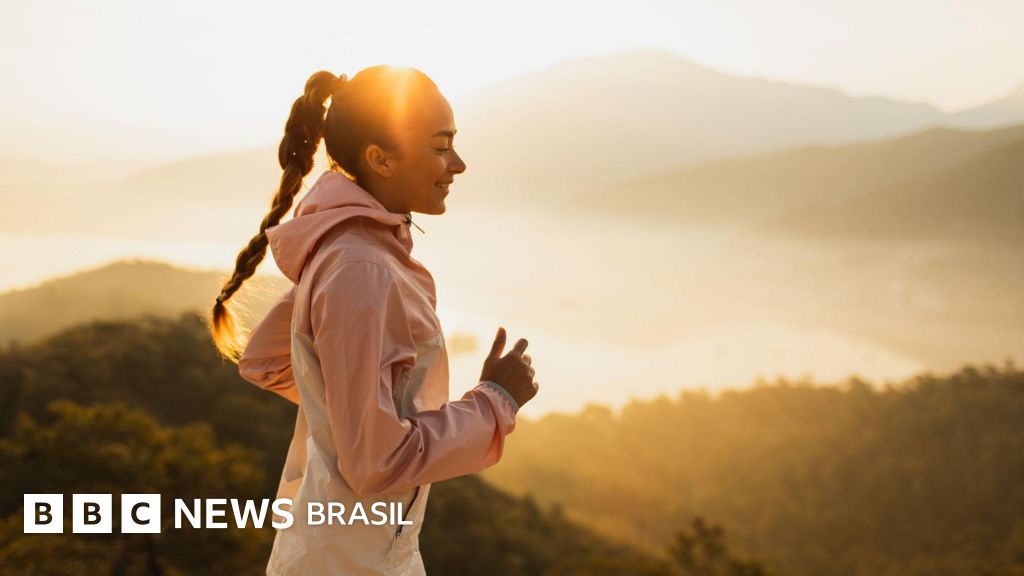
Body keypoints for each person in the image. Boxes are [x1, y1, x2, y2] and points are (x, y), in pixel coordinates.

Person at [208, 66, 540, 575]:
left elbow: (266, 361)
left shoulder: (350, 251)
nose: (459, 163)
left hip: (344, 547)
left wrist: (354, 406)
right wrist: (495, 401)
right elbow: (376, 462)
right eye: (440, 146)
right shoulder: (360, 265)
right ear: (379, 158)